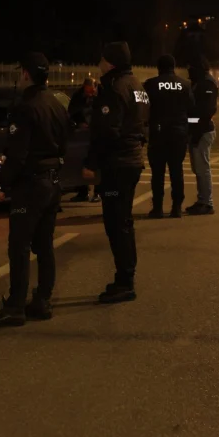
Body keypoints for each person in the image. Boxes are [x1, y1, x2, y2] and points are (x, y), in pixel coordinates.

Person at [0, 52, 70, 327]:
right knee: (44, 244)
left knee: (19, 246)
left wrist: (3, 185)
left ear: (26, 74)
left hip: (30, 184)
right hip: (52, 181)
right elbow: (65, 141)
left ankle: (15, 305)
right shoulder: (57, 104)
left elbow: (18, 153)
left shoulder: (25, 107)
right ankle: (42, 299)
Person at [84, 41, 149, 303]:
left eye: (101, 60)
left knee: (116, 223)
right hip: (132, 159)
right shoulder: (137, 85)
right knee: (123, 221)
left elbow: (106, 131)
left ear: (110, 62)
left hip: (118, 163)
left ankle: (125, 281)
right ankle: (125, 277)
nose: (99, 65)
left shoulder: (113, 87)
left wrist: (91, 163)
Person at [143, 54, 194, 219]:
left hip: (157, 134)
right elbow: (192, 110)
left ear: (159, 67)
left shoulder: (151, 84)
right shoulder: (185, 85)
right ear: (174, 66)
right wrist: (188, 126)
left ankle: (157, 208)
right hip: (178, 134)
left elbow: (144, 110)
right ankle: (176, 208)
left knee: (157, 173)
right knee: (176, 171)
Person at [186, 59, 219, 216]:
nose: (188, 72)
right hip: (198, 129)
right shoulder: (200, 82)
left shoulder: (207, 84)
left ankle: (206, 203)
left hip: (203, 131)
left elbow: (205, 112)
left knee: (202, 169)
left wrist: (189, 122)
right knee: (198, 169)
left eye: (190, 68)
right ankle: (202, 200)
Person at [67, 77, 100, 202]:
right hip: (83, 134)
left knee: (97, 162)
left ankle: (98, 192)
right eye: (87, 92)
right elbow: (72, 112)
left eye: (92, 92)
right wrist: (80, 123)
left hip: (97, 133)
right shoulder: (78, 96)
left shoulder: (102, 95)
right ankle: (82, 192)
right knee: (80, 161)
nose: (90, 95)